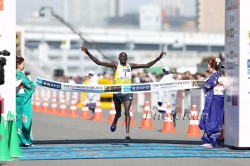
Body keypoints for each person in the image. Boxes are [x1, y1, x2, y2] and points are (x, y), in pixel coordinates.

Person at [81, 46, 166, 142]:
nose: (123, 58)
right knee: (118, 113)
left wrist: (158, 58)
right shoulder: (115, 66)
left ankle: (127, 134)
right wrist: (87, 52)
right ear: (119, 58)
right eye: (121, 57)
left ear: (127, 58)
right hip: (117, 92)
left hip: (127, 92)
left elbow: (147, 65)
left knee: (127, 112)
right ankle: (115, 120)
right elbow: (99, 63)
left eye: (124, 57)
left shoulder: (131, 66)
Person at [199, 58, 225, 148]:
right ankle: (210, 139)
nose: (208, 68)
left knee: (213, 118)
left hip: (216, 98)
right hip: (214, 98)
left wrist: (205, 85)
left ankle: (213, 140)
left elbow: (208, 85)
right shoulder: (216, 75)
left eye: (209, 66)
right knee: (210, 117)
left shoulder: (217, 76)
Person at [16, 56, 36, 147]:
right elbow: (29, 86)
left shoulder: (15, 74)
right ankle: (24, 140)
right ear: (18, 64)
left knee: (19, 118)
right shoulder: (19, 74)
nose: (24, 65)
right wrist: (30, 79)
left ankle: (23, 140)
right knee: (24, 118)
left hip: (18, 97)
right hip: (21, 98)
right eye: (22, 64)